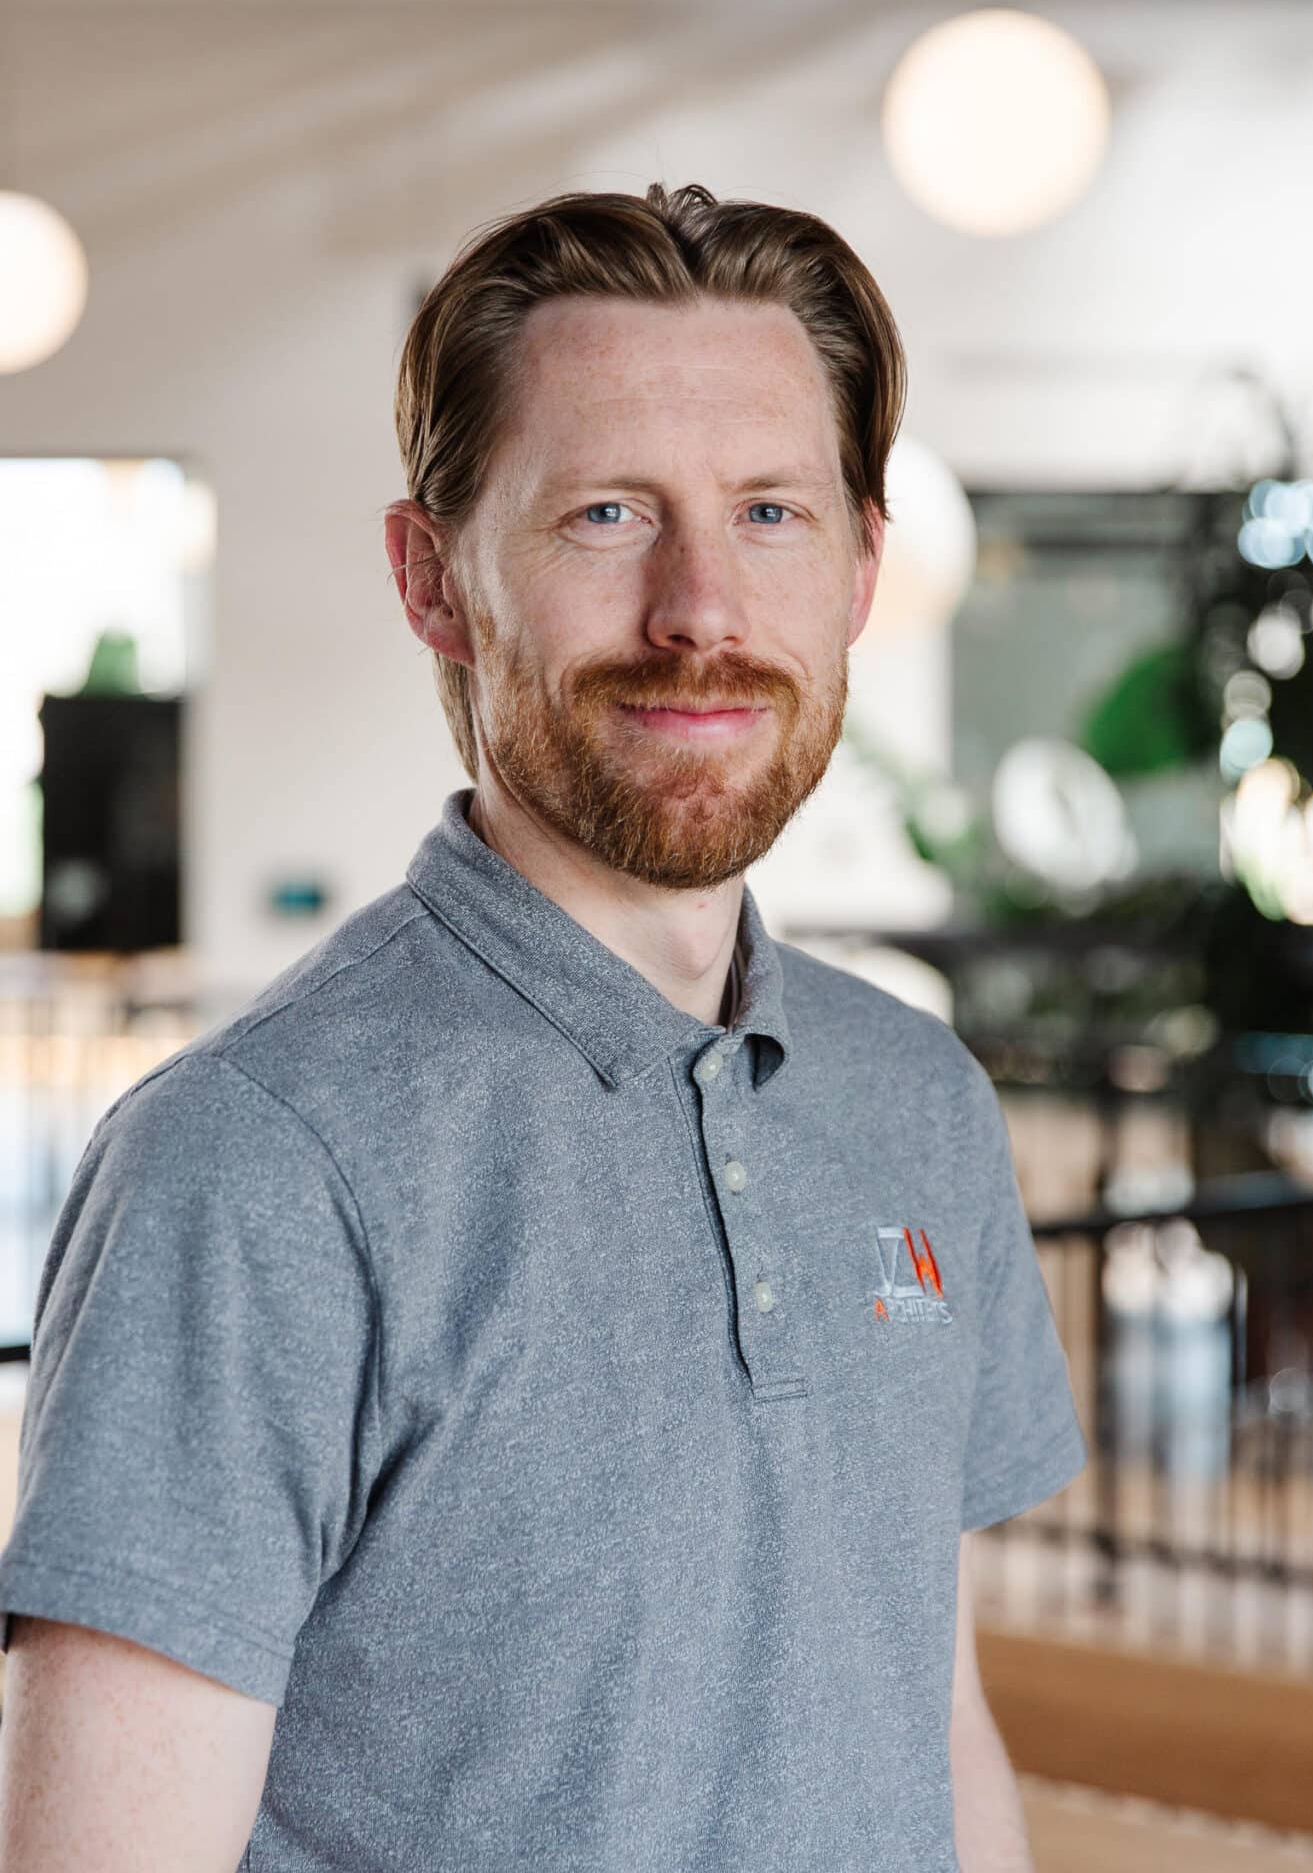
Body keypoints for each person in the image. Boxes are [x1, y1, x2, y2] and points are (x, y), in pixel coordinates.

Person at [0, 182, 1087, 1872]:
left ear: (862, 570)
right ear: (433, 579)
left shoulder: (921, 1101)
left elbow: (931, 1719)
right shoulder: (251, 1160)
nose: (702, 608)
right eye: (604, 514)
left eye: (773, 513)